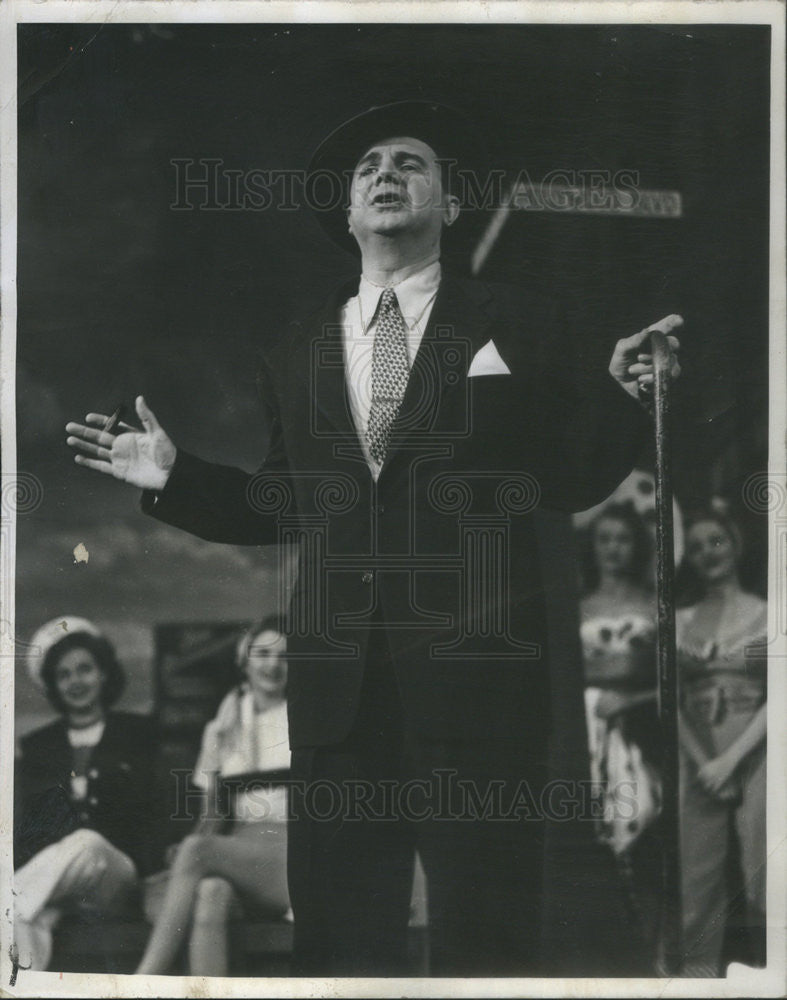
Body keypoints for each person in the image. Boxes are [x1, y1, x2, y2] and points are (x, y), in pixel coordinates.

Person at [65, 100, 682, 975]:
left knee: (486, 937)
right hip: (339, 693)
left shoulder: (519, 320)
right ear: (349, 213)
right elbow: (282, 502)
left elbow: (571, 473)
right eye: (367, 169)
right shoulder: (296, 348)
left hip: (478, 687)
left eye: (409, 162)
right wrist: (175, 475)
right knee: (342, 943)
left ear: (451, 202)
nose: (385, 174)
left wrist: (624, 397)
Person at [136, 618, 291, 976]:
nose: (273, 665)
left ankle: (143, 980)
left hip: (296, 858)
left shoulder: (308, 718)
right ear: (245, 660)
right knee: (210, 896)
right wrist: (193, 852)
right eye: (263, 653)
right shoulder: (223, 725)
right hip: (244, 857)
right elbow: (213, 815)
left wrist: (196, 850)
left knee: (195, 849)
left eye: (286, 656)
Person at [14, 617, 157, 971]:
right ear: (53, 686)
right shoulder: (38, 747)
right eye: (64, 675)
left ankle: (9, 895)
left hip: (117, 880)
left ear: (104, 673)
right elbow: (32, 827)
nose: (75, 681)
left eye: (84, 669)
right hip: (62, 885)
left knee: (88, 842)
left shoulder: (137, 733)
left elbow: (157, 812)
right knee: (28, 920)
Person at [676, 505, 767, 976]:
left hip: (755, 751)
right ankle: (698, 982)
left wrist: (732, 760)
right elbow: (669, 701)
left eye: (716, 541)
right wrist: (705, 764)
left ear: (735, 543)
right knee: (697, 884)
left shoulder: (768, 613)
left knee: (764, 875)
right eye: (694, 547)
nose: (707, 553)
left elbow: (783, 695)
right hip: (697, 756)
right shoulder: (680, 618)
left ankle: (776, 974)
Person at [579, 502, 662, 963]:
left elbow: (671, 679)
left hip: (641, 728)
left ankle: (650, 956)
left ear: (639, 545)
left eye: (623, 539)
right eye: (604, 539)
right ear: (592, 547)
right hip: (588, 729)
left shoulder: (654, 603)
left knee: (646, 829)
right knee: (594, 845)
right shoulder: (579, 605)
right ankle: (606, 959)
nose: (613, 548)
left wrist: (627, 692)